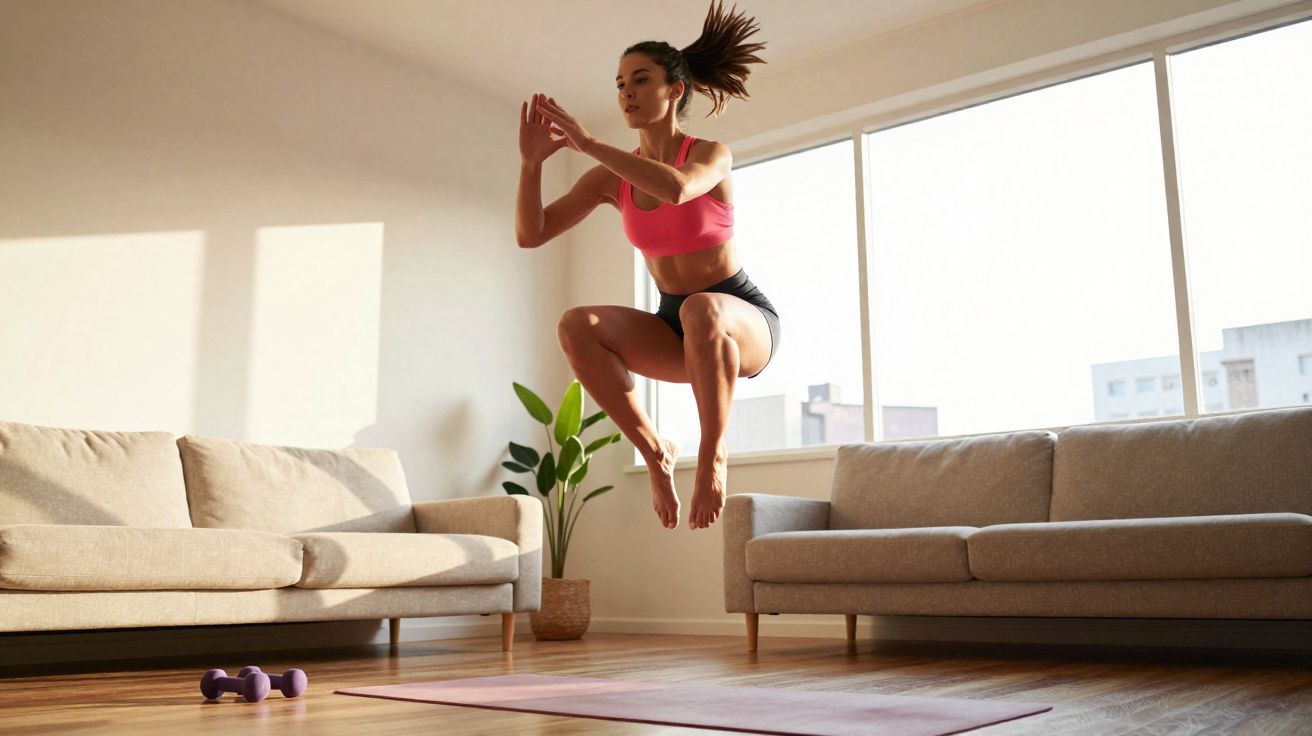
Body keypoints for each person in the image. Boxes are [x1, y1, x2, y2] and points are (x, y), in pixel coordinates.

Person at [515, 0, 773, 532]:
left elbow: (678, 190)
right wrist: (530, 165)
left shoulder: (710, 153)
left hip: (741, 318)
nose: (625, 93)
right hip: (674, 324)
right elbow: (532, 234)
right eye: (619, 84)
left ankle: (712, 457)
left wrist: (587, 143)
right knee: (575, 325)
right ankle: (656, 453)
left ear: (675, 90)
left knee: (704, 308)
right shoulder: (612, 179)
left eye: (639, 80)